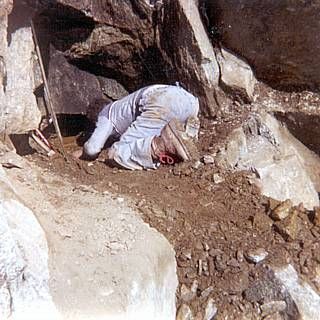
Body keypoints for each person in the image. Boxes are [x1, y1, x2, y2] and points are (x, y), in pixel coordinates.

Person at [73, 84, 200, 170]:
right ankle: (186, 135)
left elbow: (92, 149)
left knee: (116, 153)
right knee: (155, 129)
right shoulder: (122, 106)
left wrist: (84, 153)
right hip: (188, 101)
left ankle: (161, 145)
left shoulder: (105, 114)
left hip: (159, 102)